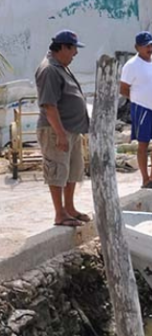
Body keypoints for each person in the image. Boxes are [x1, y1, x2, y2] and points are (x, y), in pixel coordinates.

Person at [35, 30, 91, 227]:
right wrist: (60, 134)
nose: (75, 53)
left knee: (73, 170)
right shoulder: (49, 69)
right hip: (56, 130)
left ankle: (70, 208)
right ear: (64, 47)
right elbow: (49, 105)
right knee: (57, 170)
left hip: (71, 129)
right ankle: (60, 213)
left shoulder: (61, 67)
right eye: (74, 48)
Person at [120, 31, 152, 189]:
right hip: (143, 109)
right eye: (146, 46)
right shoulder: (131, 65)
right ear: (137, 47)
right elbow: (123, 89)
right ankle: (145, 179)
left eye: (151, 45)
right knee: (143, 144)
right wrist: (138, 99)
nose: (149, 48)